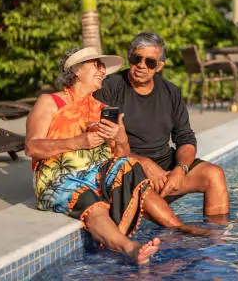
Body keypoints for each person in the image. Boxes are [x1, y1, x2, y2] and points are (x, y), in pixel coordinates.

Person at [25, 47, 209, 265]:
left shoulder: (103, 109)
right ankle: (130, 247)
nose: (103, 71)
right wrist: (78, 142)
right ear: (76, 71)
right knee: (89, 200)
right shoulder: (50, 102)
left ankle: (177, 227)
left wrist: (120, 137)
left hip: (97, 174)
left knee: (131, 168)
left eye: (103, 66)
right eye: (96, 65)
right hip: (59, 178)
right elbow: (31, 147)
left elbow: (121, 156)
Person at [93, 31, 230, 220]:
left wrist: (180, 169)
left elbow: (185, 138)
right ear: (129, 58)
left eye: (150, 62)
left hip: (165, 168)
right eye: (136, 59)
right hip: (126, 166)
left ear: (159, 66)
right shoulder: (111, 88)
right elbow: (101, 146)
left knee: (214, 175)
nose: (141, 66)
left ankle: (217, 239)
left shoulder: (171, 92)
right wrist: (143, 163)